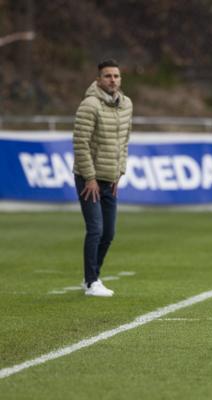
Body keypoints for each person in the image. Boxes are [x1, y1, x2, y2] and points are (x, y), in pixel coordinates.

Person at [72, 59, 133, 297]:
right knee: (95, 229)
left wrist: (120, 172)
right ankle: (91, 281)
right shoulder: (89, 105)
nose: (113, 80)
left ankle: (92, 276)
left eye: (116, 76)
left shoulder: (126, 104)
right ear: (98, 80)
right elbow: (80, 143)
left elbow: (124, 141)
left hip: (111, 178)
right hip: (90, 180)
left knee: (109, 233)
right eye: (108, 76)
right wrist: (89, 178)